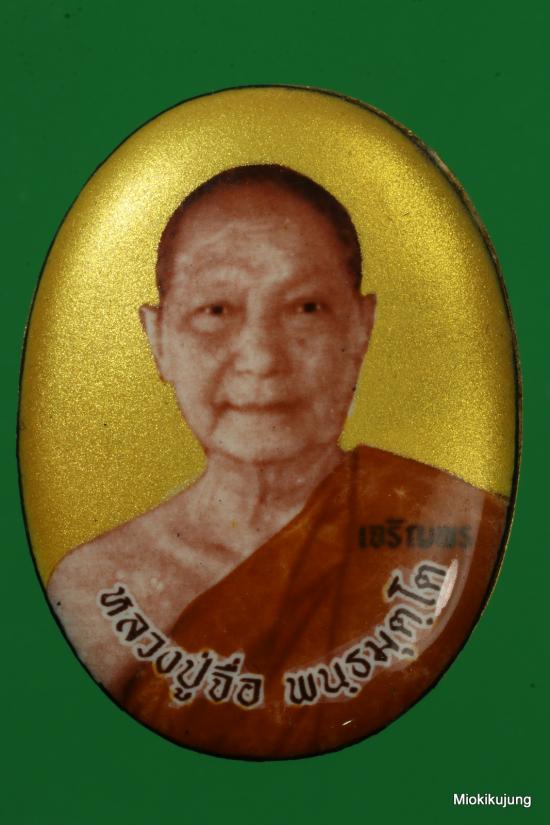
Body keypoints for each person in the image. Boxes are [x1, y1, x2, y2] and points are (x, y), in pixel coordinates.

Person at [48, 165, 508, 758]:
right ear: (158, 338)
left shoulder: (460, 538)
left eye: (306, 308)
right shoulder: (96, 587)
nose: (262, 357)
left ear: (361, 327)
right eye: (216, 310)